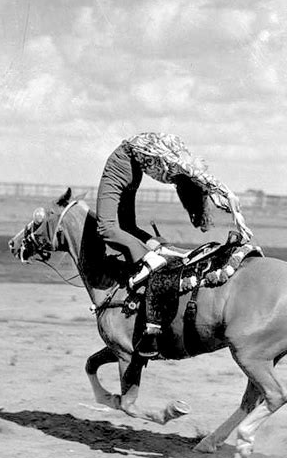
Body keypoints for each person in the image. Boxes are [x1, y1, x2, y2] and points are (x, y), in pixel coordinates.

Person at [96, 132, 253, 358]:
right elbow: (209, 183)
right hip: (128, 163)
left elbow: (208, 183)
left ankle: (152, 256)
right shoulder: (181, 164)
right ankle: (154, 250)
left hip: (125, 163)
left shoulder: (179, 164)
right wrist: (233, 208)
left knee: (109, 227)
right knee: (119, 227)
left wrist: (232, 207)